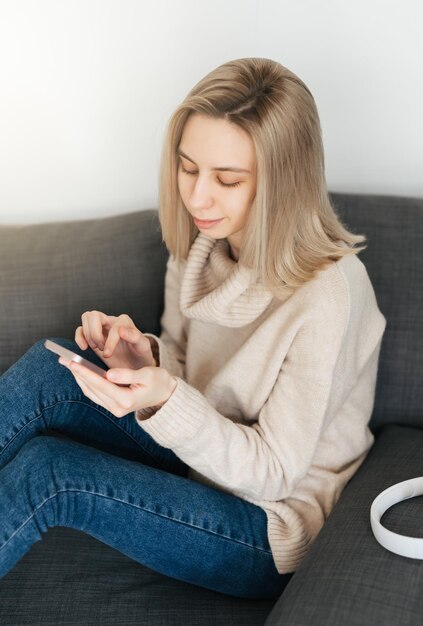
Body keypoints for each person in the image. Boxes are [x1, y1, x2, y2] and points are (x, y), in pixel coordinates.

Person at [0, 57, 387, 600]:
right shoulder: (203, 246)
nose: (197, 197)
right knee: (52, 365)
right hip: (198, 457)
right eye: (188, 168)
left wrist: (167, 397)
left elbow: (274, 472)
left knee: (51, 471)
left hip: (265, 523)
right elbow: (185, 368)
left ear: (284, 182)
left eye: (227, 179)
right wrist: (144, 361)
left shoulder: (331, 293)